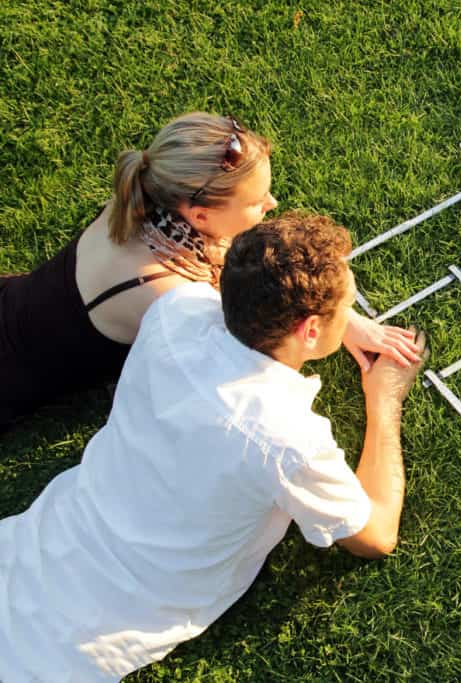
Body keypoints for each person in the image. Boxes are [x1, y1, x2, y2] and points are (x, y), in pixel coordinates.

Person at [0, 211, 427, 680]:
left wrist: (335, 320)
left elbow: (227, 282)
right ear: (307, 330)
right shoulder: (286, 438)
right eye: (346, 306)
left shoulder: (176, 310)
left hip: (51, 538)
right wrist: (383, 398)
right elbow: (377, 533)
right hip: (90, 631)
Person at [0, 112, 419, 429]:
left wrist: (347, 318)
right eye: (256, 203)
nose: (272, 205)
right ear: (200, 215)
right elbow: (255, 344)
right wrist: (337, 319)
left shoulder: (150, 197)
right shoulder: (172, 295)